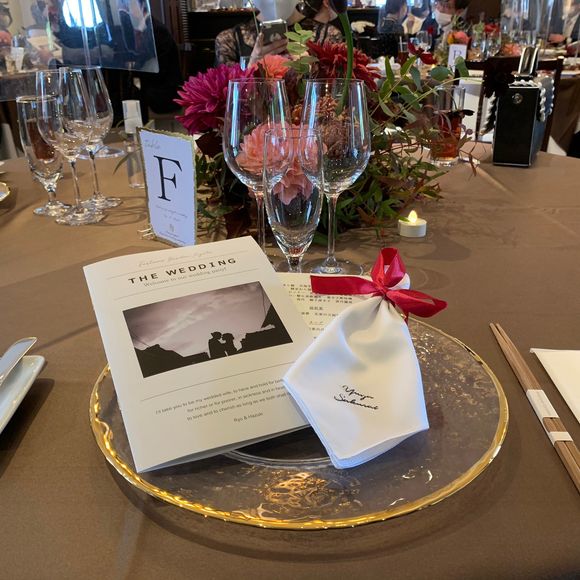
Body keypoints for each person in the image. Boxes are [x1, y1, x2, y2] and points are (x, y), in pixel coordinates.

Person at [215, 0, 342, 66]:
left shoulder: (328, 36)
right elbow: (227, 100)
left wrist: (312, 71)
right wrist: (251, 69)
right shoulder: (230, 40)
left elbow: (338, 94)